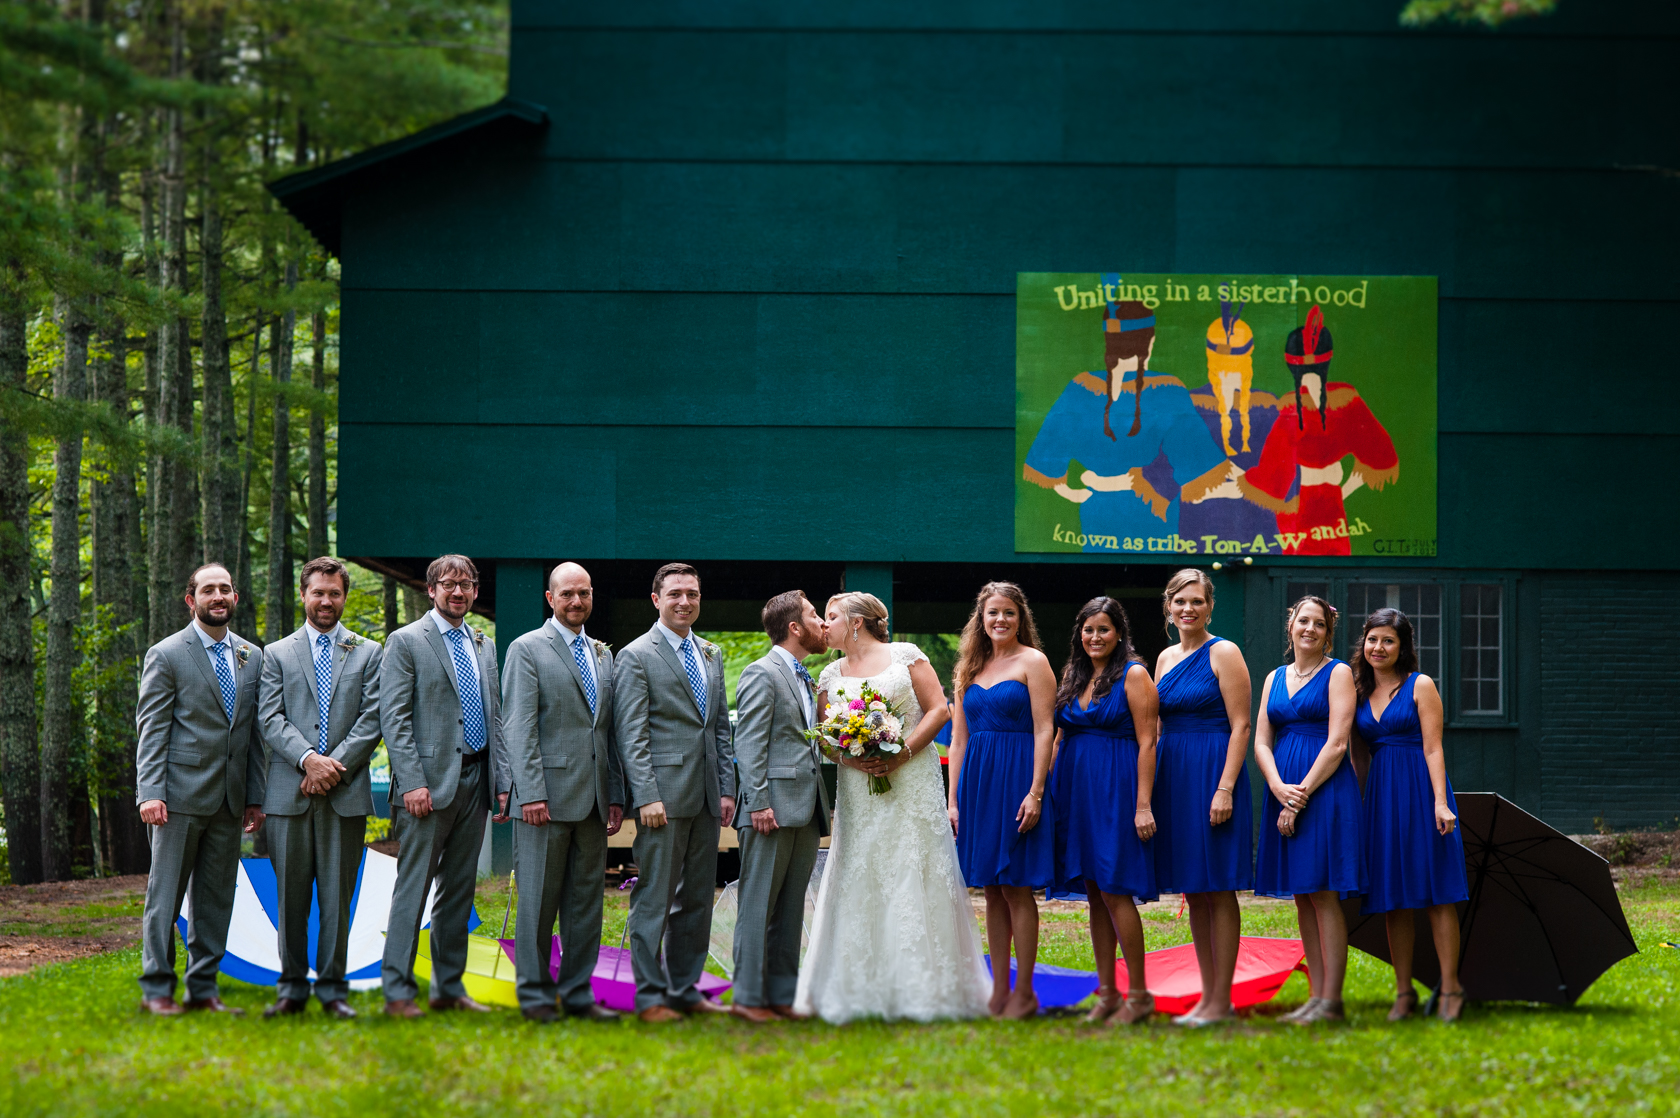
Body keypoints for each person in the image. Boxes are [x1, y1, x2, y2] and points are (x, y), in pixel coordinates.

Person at [794, 592, 989, 1023]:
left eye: (831, 617)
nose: (824, 626)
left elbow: (939, 710)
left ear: (857, 622)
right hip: (858, 787)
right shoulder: (828, 673)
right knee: (860, 869)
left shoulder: (905, 655)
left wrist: (902, 753)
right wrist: (850, 755)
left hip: (910, 779)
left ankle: (923, 988)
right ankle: (858, 987)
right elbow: (826, 738)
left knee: (911, 867)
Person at [134, 562, 268, 1016]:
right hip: (177, 798)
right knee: (165, 897)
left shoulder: (253, 656)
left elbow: (252, 734)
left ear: (234, 599)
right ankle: (157, 989)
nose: (218, 596)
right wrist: (150, 791)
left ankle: (203, 989)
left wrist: (255, 795)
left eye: (225, 589)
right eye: (208, 589)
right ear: (192, 600)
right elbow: (152, 730)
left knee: (216, 899)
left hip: (230, 801)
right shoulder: (167, 654)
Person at [255, 556, 384, 1019]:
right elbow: (269, 717)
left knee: (337, 896)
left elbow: (374, 720)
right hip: (289, 794)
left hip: (344, 795)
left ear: (344, 597)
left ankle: (333, 988)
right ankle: (291, 988)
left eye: (334, 593)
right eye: (318, 592)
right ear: (303, 595)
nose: (326, 600)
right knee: (290, 896)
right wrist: (309, 760)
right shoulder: (276, 653)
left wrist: (334, 767)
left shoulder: (369, 652)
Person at [497, 562, 626, 1023]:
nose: (576, 601)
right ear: (550, 599)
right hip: (544, 800)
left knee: (585, 904)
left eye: (584, 593)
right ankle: (534, 996)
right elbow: (518, 725)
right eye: (567, 594)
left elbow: (607, 730)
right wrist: (529, 792)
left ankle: (577, 994)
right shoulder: (527, 648)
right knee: (537, 901)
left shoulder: (602, 653)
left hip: (592, 800)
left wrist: (614, 792)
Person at [380, 554, 503, 1018]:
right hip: (426, 788)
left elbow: (495, 717)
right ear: (430, 590)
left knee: (459, 889)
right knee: (413, 890)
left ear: (474, 591)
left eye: (466, 585)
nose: (458, 592)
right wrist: (412, 781)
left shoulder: (483, 644)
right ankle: (397, 993)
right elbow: (393, 718)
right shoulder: (406, 641)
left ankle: (448, 987)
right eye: (449, 584)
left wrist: (502, 781)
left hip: (476, 779)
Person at [1022, 286, 1235, 552]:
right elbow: (1197, 463)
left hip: (1097, 511)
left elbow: (1047, 456)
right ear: (1151, 341)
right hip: (1157, 517)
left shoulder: (1080, 387)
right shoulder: (1168, 391)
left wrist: (1080, 490)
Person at [614, 563, 736, 1023]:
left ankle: (684, 988)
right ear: (656, 600)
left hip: (707, 797)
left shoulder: (710, 653)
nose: (685, 601)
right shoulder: (635, 655)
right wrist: (646, 795)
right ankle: (649, 997)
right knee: (655, 898)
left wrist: (726, 788)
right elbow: (631, 732)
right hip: (661, 797)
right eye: (676, 594)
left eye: (693, 593)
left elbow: (719, 727)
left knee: (698, 899)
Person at [946, 581, 1058, 1018]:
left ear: (1020, 617)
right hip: (977, 783)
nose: (1000, 620)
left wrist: (1036, 791)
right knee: (991, 890)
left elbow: (1046, 728)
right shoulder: (967, 669)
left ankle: (1025, 991)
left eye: (1009, 613)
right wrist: (953, 800)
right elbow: (958, 739)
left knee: (1016, 887)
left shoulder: (1034, 662)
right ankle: (998, 989)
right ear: (981, 618)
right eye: (993, 612)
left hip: (1018, 779)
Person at [1353, 608, 1469, 1023]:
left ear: (1403, 648)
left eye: (1388, 640)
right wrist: (1361, 806)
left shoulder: (1421, 685)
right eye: (1372, 639)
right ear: (1363, 643)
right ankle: (1403, 994)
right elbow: (1358, 757)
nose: (1378, 647)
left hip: (1421, 790)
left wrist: (1441, 802)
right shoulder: (1357, 691)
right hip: (1381, 797)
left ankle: (1452, 988)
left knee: (1438, 893)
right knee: (1392, 899)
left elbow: (1434, 747)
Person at [1253, 596, 1363, 1025]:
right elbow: (1261, 740)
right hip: (1282, 787)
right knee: (1302, 895)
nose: (1310, 629)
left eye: (1319, 624)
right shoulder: (1273, 678)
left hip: (1325, 790)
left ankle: (1332, 1000)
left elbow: (1338, 743)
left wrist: (1299, 796)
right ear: (1291, 626)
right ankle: (1315, 997)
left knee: (1323, 893)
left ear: (1328, 632)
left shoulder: (1339, 674)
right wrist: (1278, 787)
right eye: (1304, 621)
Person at [1050, 596, 1159, 1026]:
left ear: (1119, 634)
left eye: (1104, 630)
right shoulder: (1073, 675)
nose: (1095, 637)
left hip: (1116, 791)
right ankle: (1108, 992)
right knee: (1094, 893)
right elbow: (1059, 738)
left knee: (1115, 890)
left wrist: (1143, 804)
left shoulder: (1134, 675)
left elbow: (1148, 741)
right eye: (1089, 629)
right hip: (1075, 792)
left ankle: (1139, 994)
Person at [1152, 567, 1253, 1027]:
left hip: (1214, 770)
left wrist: (1226, 787)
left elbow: (1242, 725)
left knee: (1218, 887)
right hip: (1174, 774)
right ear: (1169, 607)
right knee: (1194, 889)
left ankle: (1223, 998)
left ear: (1210, 606)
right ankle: (1206, 996)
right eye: (1180, 601)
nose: (1188, 608)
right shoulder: (1164, 658)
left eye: (1197, 601)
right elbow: (1154, 725)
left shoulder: (1225, 652)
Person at [728, 590, 832, 1023]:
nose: (822, 624)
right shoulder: (761, 673)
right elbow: (748, 743)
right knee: (758, 905)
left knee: (792, 907)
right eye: (813, 616)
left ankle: (782, 996)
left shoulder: (805, 676)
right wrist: (758, 802)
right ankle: (748, 999)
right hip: (769, 809)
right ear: (794, 627)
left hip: (807, 809)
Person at [1238, 305, 1399, 555]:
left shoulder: (1301, 410)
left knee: (1307, 568)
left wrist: (1236, 479)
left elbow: (1271, 477)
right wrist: (1349, 486)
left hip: (1315, 507)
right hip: (1319, 506)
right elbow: (1380, 454)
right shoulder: (1344, 403)